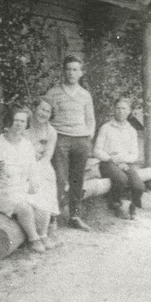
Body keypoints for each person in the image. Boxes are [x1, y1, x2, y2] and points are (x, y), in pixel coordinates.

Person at [0, 107, 53, 253]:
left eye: (22, 121)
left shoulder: (27, 145)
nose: (18, 124)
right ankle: (33, 239)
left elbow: (33, 170)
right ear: (9, 122)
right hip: (0, 192)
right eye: (15, 120)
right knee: (24, 206)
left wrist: (34, 184)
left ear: (26, 124)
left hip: (20, 188)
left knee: (43, 201)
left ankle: (43, 235)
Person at [44, 55, 95, 231]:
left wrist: (88, 137)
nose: (71, 73)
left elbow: (91, 119)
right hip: (60, 139)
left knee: (77, 179)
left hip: (81, 140)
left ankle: (75, 216)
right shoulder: (53, 93)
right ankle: (52, 218)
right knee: (58, 178)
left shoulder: (85, 95)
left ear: (81, 73)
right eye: (68, 69)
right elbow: (44, 116)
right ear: (63, 71)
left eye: (75, 69)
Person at [93, 97, 145, 221]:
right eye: (118, 108)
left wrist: (122, 160)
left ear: (129, 111)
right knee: (121, 179)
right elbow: (97, 150)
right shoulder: (106, 127)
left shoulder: (131, 130)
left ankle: (133, 206)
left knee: (139, 186)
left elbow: (134, 154)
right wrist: (112, 159)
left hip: (125, 163)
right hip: (107, 163)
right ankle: (115, 204)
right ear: (114, 110)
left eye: (124, 109)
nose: (121, 111)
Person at [24, 98, 60, 234]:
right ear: (34, 109)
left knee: (47, 175)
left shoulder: (51, 132)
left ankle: (49, 216)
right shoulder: (24, 125)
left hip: (41, 164)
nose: (44, 114)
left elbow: (47, 155)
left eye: (48, 111)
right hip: (21, 162)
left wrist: (36, 165)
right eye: (42, 109)